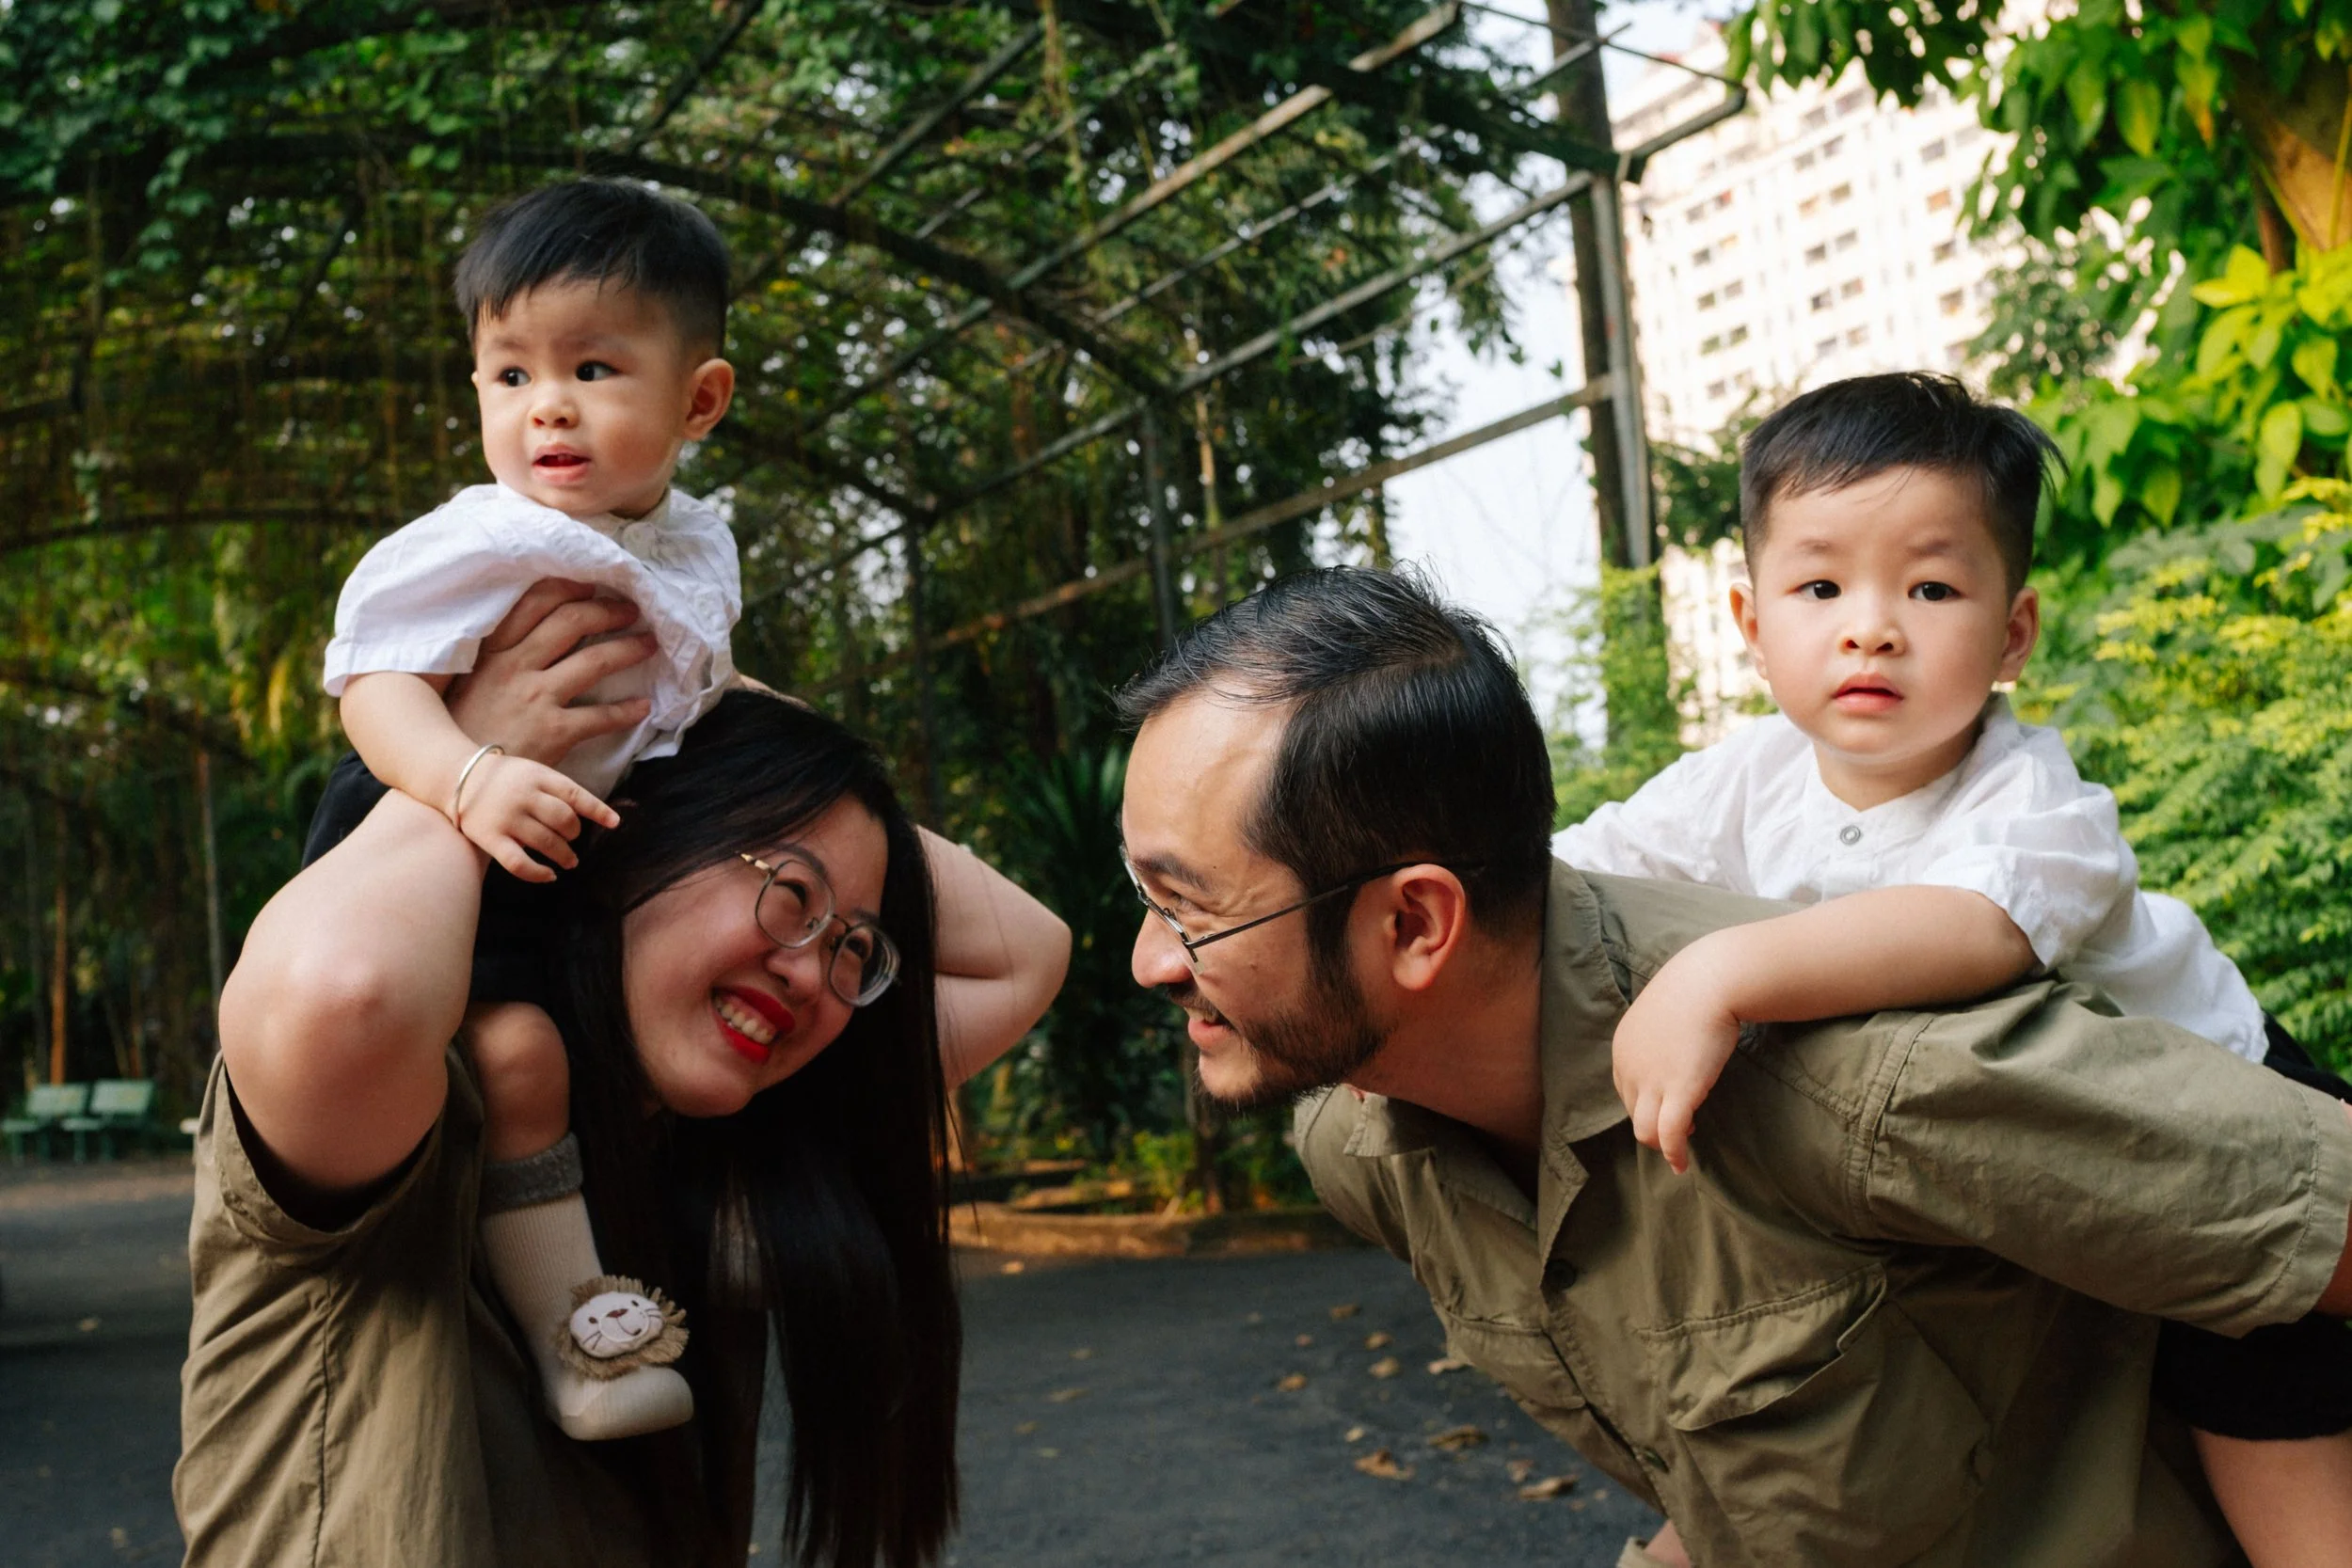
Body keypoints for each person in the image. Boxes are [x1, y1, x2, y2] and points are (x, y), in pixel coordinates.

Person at [1116, 564, 2352, 1568]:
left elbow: (2320, 1211)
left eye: (1190, 908)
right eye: (1144, 893)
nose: (1147, 960)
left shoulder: (1854, 1081)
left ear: (1415, 924)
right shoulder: (1366, 1143)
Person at [1551, 372, 2352, 1566]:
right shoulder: (1742, 780)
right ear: (1750, 620)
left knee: (2262, 1425)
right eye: (1820, 585)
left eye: (1930, 586)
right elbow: (1576, 881)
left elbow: (1973, 927)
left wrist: (1719, 973)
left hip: (2235, 1138)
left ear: (2012, 632)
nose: (1871, 625)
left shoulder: (2032, 798)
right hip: (2052, 1168)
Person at [178, 582, 1071, 1567]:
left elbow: (1029, 951)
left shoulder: (703, 1145)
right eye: (791, 892)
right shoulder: (413, 1102)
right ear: (627, 832)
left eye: (855, 941)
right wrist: (474, 759)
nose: (816, 970)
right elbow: (346, 990)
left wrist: (711, 684)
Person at [310, 179, 746, 1439]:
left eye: (595, 366)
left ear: (698, 401)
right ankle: (580, 1341)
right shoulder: (485, 537)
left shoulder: (691, 545)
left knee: (636, 1038)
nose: (545, 403)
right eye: (509, 375)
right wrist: (465, 775)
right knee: (520, 1057)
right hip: (429, 830)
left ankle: (715, 1241)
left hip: (572, 850)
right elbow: (374, 682)